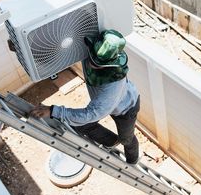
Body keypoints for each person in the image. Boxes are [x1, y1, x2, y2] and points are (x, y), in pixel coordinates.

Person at [30, 29, 141, 164]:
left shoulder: (110, 89)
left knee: (127, 139)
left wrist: (53, 111)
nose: (90, 63)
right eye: (92, 57)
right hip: (114, 104)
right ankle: (111, 140)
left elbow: (90, 114)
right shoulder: (96, 47)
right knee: (80, 125)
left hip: (126, 109)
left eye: (97, 63)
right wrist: (29, 52)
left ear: (109, 65)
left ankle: (132, 161)